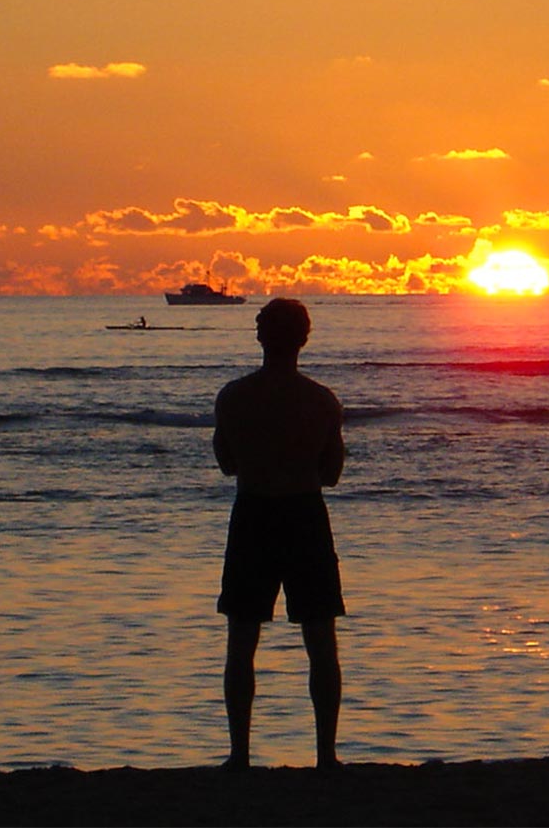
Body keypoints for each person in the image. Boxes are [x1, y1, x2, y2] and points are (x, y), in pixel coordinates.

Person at [213, 298, 346, 771]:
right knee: (320, 639)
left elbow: (227, 462)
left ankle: (240, 754)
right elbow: (331, 473)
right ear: (304, 339)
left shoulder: (233, 397)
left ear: (259, 336)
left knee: (242, 640)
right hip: (305, 514)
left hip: (253, 513)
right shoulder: (322, 400)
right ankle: (326, 754)